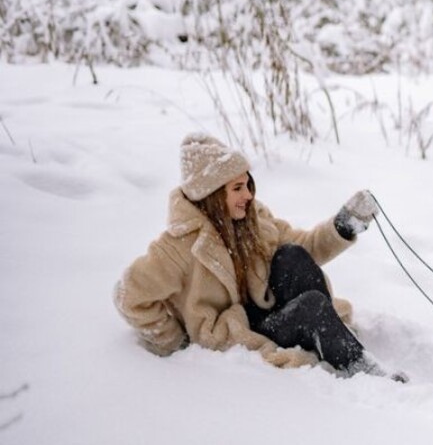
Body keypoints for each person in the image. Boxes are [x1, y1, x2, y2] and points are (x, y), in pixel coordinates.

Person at [114, 132, 403, 381]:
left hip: (265, 309)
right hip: (239, 332)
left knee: (292, 255)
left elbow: (305, 246)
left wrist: (344, 224)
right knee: (312, 306)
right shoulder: (178, 247)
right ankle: (362, 370)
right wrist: (174, 342)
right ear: (212, 195)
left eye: (248, 185)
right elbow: (129, 296)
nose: (248, 195)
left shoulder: (253, 219)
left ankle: (332, 339)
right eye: (237, 188)